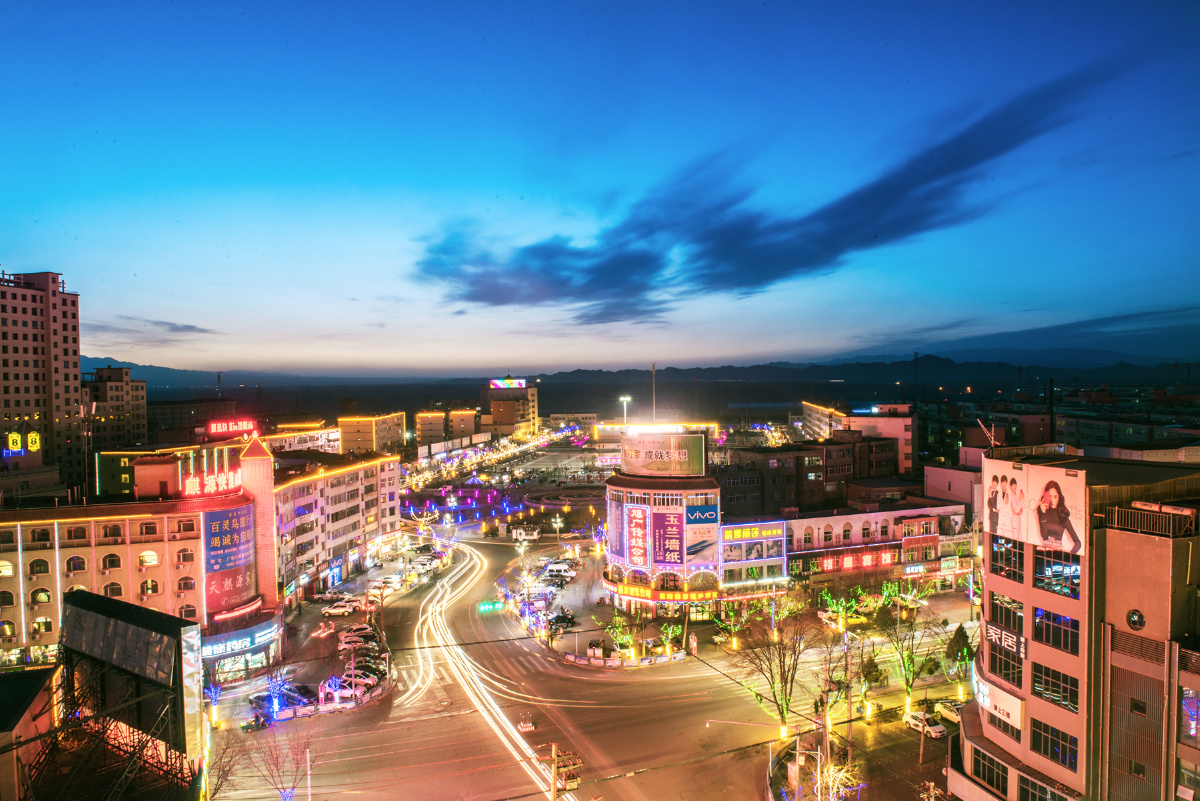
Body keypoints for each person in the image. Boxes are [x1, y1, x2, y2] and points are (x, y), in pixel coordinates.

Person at [1035, 480, 1081, 553]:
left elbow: (1078, 543)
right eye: (1050, 496)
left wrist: (1069, 556)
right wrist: (1043, 514)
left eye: (1055, 497)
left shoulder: (1063, 515)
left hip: (1058, 553)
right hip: (1044, 551)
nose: (1052, 500)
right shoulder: (1042, 511)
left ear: (1059, 497)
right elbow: (1044, 536)